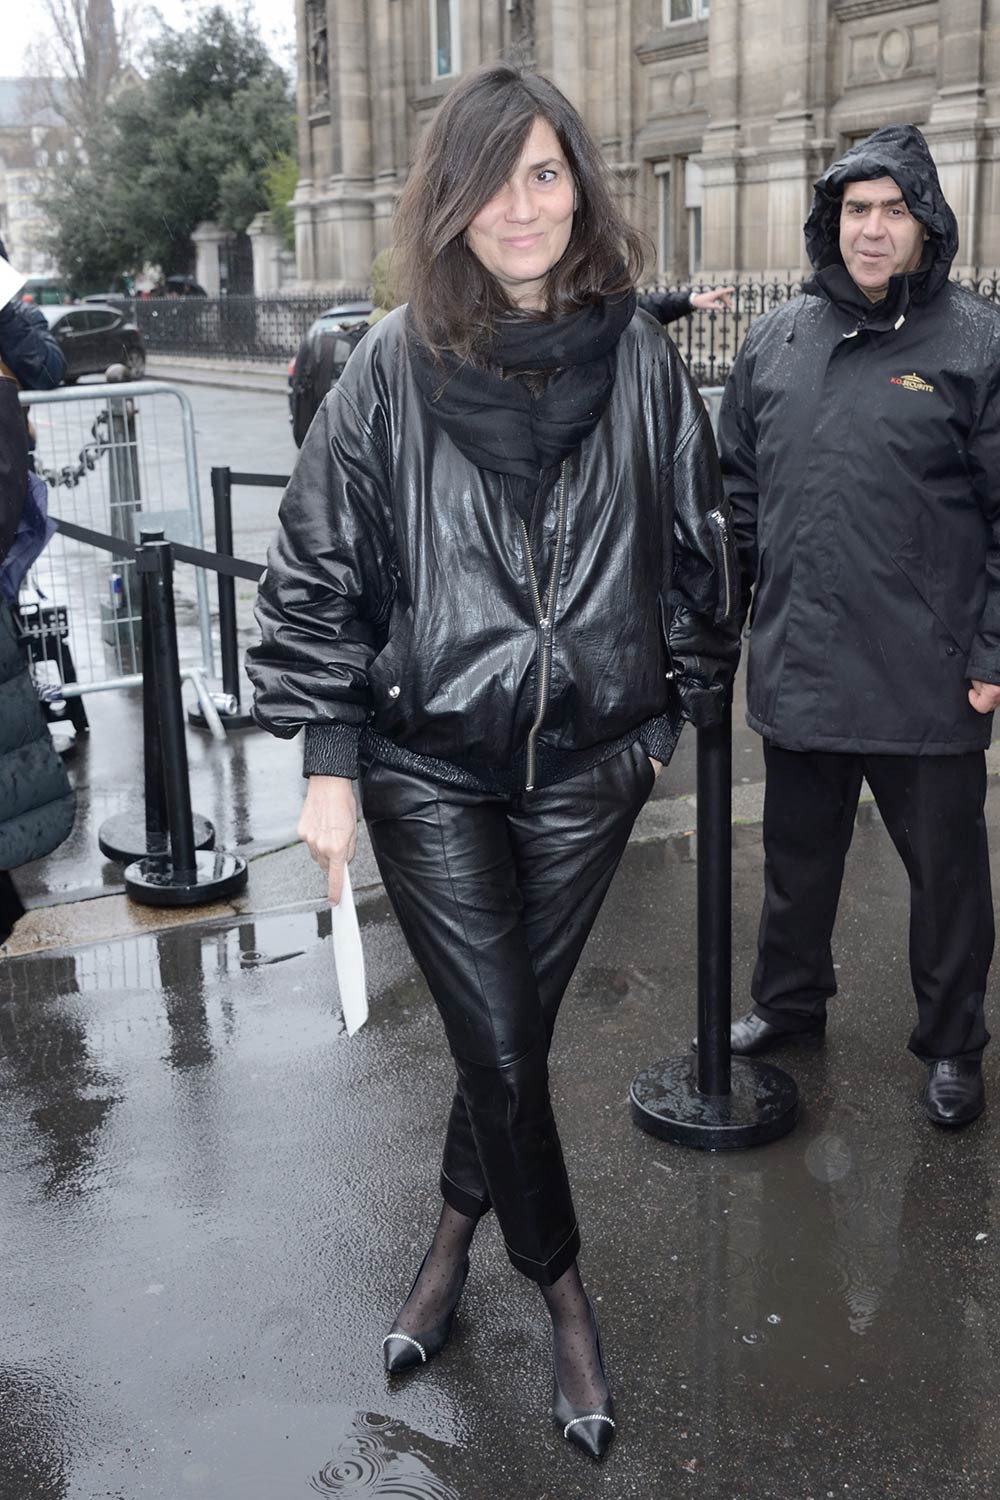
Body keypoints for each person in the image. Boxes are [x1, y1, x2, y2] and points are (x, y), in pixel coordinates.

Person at [248, 63, 738, 1458]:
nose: (520, 208)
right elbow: (316, 573)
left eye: (545, 173)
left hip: (591, 769)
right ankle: (564, 1298)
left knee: (496, 1038)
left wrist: (670, 714)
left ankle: (450, 1244)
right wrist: (332, 755)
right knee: (509, 1041)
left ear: (580, 185)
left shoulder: (637, 356)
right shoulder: (391, 365)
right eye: (491, 178)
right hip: (430, 764)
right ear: (446, 198)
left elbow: (704, 544)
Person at [718, 124, 1000, 1128]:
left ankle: (952, 1043)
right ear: (828, 221)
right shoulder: (773, 342)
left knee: (947, 879)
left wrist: (991, 650)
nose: (871, 230)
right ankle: (788, 1005)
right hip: (800, 657)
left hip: (927, 670)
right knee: (794, 862)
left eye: (890, 211)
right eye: (854, 211)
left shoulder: (975, 344)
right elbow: (737, 501)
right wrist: (715, 626)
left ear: (925, 222)